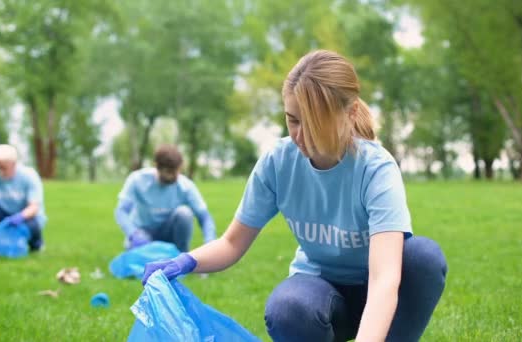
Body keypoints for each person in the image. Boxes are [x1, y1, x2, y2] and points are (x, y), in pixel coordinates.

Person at [142, 50, 448, 341]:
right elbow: (232, 243)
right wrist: (184, 262)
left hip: (378, 291)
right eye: (293, 120)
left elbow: (384, 280)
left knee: (423, 258)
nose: (300, 135)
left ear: (350, 112)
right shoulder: (279, 162)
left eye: (314, 122)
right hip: (321, 294)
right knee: (288, 308)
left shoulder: (375, 169)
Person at [114, 144, 216, 253]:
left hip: (170, 232)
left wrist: (209, 245)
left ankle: (181, 256)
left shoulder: (185, 186)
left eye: (177, 171)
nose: (174, 176)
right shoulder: (137, 180)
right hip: (143, 232)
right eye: (169, 172)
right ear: (157, 167)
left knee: (184, 213)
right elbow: (121, 211)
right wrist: (133, 233)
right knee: (139, 265)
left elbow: (204, 217)